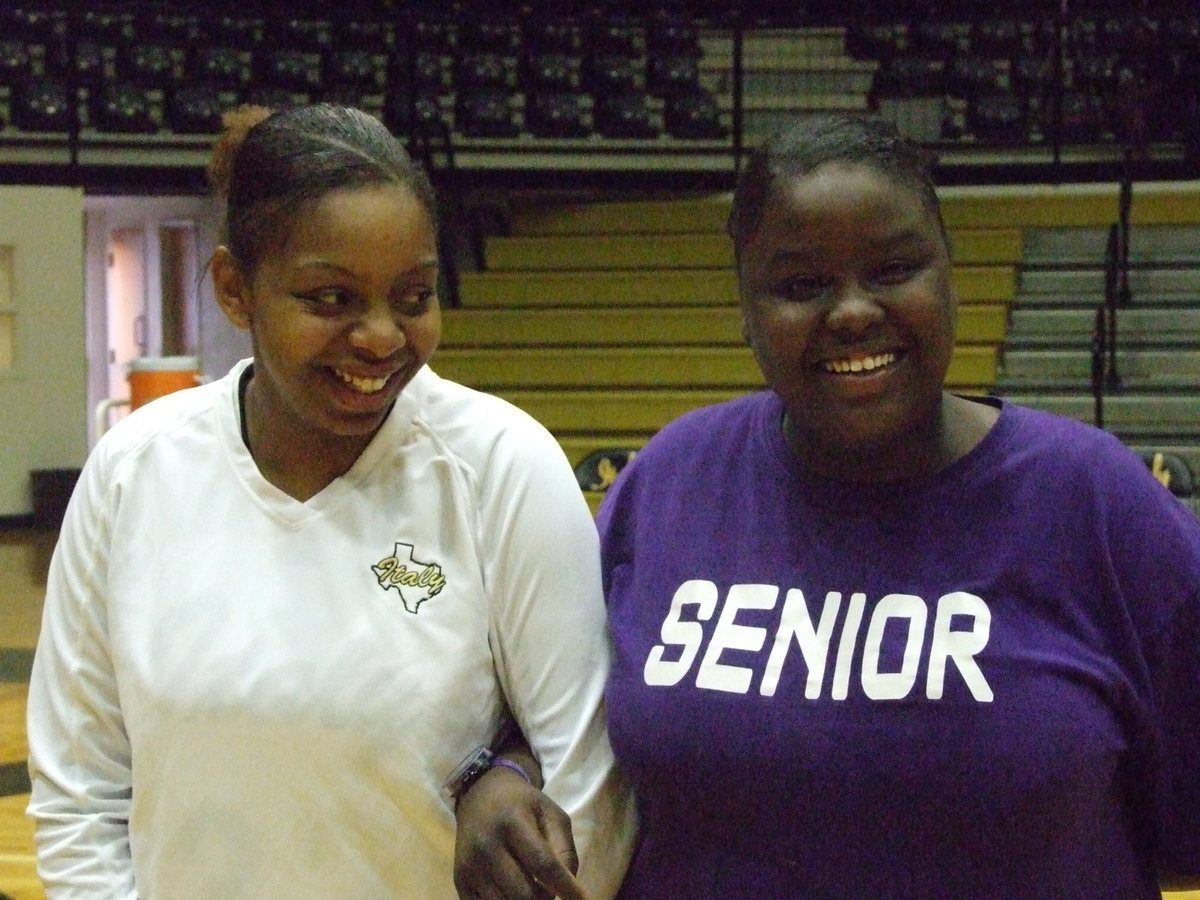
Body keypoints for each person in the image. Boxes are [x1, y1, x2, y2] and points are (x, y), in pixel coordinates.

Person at [455, 112, 1200, 897]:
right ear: (746, 313)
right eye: (801, 285)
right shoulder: (673, 479)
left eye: (893, 269)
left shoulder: (1097, 505)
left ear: (949, 275)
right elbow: (564, 712)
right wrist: (503, 776)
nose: (851, 312)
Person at [25, 103, 634, 899]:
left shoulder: (501, 465)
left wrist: (509, 772)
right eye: (331, 298)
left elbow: (590, 788)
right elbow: (80, 797)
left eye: (413, 296)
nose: (381, 335)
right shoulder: (132, 471)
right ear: (235, 289)